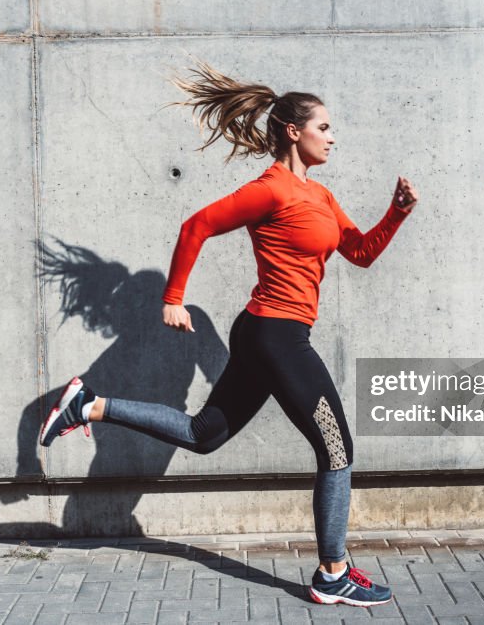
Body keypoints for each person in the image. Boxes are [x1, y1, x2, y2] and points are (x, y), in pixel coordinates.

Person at [40, 61, 418, 607]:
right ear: (295, 131)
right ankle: (333, 572)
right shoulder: (270, 190)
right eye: (325, 127)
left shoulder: (323, 197)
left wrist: (397, 212)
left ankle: (89, 406)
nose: (333, 137)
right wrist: (173, 298)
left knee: (203, 435)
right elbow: (196, 226)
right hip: (275, 334)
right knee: (336, 449)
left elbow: (359, 253)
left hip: (272, 335)